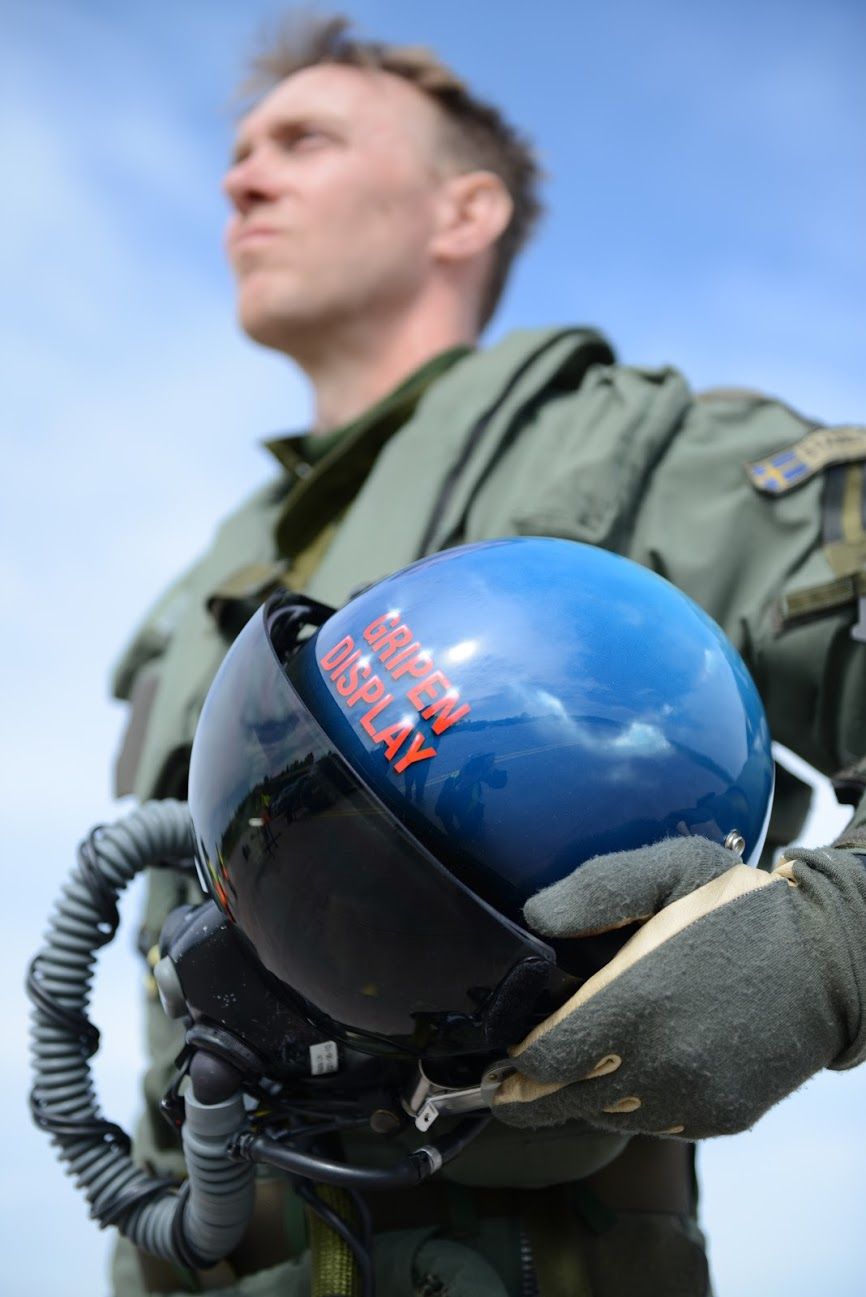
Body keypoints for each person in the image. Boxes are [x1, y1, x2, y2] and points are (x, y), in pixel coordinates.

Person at [109, 13, 866, 1297]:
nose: (240, 180)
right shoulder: (210, 579)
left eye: (303, 141)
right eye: (238, 151)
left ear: (463, 212)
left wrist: (833, 944)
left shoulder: (636, 453)